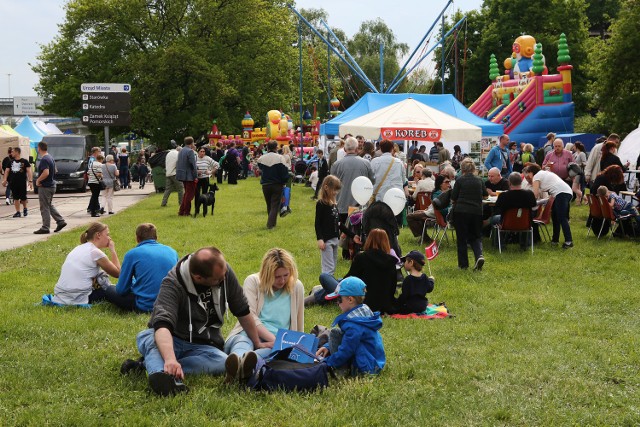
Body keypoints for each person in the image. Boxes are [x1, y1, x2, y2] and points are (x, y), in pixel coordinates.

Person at [132, 247, 267, 396]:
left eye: (224, 274)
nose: (223, 279)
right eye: (217, 279)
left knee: (223, 362)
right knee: (151, 339)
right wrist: (170, 357)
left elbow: (242, 309)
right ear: (198, 277)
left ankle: (150, 365)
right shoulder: (173, 283)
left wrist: (257, 342)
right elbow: (163, 324)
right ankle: (162, 377)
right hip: (172, 340)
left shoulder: (223, 272)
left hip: (201, 346)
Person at [223, 248, 304, 383]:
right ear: (267, 274)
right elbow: (250, 316)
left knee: (267, 353)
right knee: (243, 342)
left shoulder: (296, 287)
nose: (282, 280)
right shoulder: (253, 281)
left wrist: (293, 344)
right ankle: (236, 364)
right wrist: (266, 341)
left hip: (276, 342)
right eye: (277, 277)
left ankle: (245, 367)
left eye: (286, 275)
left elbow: (299, 320)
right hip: (248, 331)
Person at [310, 229, 397, 314]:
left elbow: (347, 280)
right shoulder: (392, 262)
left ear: (369, 240)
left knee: (325, 277)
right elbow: (392, 288)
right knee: (338, 281)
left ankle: (312, 296)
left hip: (359, 302)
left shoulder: (362, 258)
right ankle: (319, 291)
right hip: (385, 305)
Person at [316, 276, 385, 376]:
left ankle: (341, 371)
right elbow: (346, 337)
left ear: (350, 299)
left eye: (339, 299)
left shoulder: (354, 326)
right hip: (373, 362)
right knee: (337, 333)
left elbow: (346, 351)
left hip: (364, 369)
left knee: (334, 332)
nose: (337, 303)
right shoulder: (363, 312)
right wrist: (328, 347)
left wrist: (326, 363)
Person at [103, 223, 178, 313]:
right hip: (170, 304)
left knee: (109, 290)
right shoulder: (172, 251)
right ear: (156, 237)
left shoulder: (132, 254)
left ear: (137, 238)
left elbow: (121, 290)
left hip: (146, 305)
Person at [49, 222, 120, 305]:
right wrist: (113, 250)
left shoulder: (78, 248)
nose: (109, 238)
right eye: (107, 235)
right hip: (79, 297)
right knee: (110, 290)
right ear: (98, 235)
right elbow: (118, 273)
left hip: (61, 295)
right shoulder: (95, 252)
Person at [330, 136, 374, 242]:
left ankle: (346, 251)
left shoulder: (336, 165)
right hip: (360, 204)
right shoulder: (366, 163)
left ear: (345, 149)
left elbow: (332, 185)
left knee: (344, 230)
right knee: (359, 230)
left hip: (341, 204)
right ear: (357, 148)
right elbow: (372, 181)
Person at [314, 175, 359, 276]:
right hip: (326, 241)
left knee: (333, 266)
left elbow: (339, 223)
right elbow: (317, 223)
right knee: (328, 268)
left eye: (337, 190)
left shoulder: (334, 205)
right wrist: (320, 239)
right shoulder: (321, 204)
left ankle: (328, 286)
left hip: (335, 239)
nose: (336, 192)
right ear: (326, 187)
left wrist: (352, 235)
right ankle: (325, 287)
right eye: (334, 190)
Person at [524, 164, 573, 248]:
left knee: (561, 218)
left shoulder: (536, 176)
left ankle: (569, 241)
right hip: (565, 192)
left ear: (531, 172)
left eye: (528, 174)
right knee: (555, 218)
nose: (527, 177)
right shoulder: (544, 173)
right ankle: (555, 240)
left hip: (561, 193)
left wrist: (529, 202)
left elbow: (535, 195)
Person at [451, 158, 487, 270]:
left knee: (462, 238)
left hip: (461, 212)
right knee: (475, 237)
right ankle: (479, 256)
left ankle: (463, 265)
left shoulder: (460, 180)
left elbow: (453, 198)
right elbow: (485, 196)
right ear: (473, 169)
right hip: (476, 212)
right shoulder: (479, 180)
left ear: (462, 169)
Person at [488, 172, 537, 247]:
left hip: (506, 223)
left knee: (493, 219)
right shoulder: (529, 194)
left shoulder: (504, 195)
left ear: (509, 182)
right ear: (521, 181)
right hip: (525, 222)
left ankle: (499, 244)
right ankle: (525, 243)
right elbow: (534, 205)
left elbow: (497, 206)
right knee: (525, 216)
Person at [33, 142, 66, 234]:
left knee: (44, 207)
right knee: (49, 205)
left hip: (45, 186)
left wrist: (38, 180)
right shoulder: (50, 157)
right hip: (52, 185)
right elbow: (55, 170)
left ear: (39, 148)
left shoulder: (44, 159)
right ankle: (60, 221)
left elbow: (46, 172)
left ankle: (45, 227)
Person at [407, 175, 451, 241]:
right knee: (417, 215)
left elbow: (414, 196)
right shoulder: (441, 194)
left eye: (449, 182)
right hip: (435, 213)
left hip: (439, 216)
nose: (449, 184)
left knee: (410, 216)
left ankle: (424, 237)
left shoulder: (441, 194)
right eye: (447, 182)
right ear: (440, 184)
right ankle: (424, 237)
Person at [257, 141, 289, 229]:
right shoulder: (280, 158)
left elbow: (259, 168)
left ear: (267, 148)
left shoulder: (262, 158)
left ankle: (272, 222)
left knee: (269, 204)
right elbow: (284, 172)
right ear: (276, 148)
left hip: (265, 185)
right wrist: (284, 181)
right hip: (277, 184)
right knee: (275, 205)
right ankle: (270, 224)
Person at [395, 251, 434, 315]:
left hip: (410, 307)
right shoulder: (424, 277)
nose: (404, 263)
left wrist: (397, 303)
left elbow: (404, 296)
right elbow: (430, 288)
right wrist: (431, 280)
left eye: (406, 261)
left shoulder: (408, 280)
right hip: (423, 306)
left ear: (411, 263)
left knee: (397, 307)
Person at [2, 147, 32, 218]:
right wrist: (5, 179)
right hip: (13, 182)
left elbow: (29, 171)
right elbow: (6, 171)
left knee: (23, 197)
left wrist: (30, 181)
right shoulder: (10, 162)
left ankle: (25, 208)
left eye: (13, 152)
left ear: (17, 152)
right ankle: (18, 212)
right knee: (15, 198)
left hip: (22, 182)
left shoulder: (24, 161)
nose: (11, 153)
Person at [176, 136, 197, 216]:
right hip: (189, 176)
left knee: (186, 194)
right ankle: (186, 212)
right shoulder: (190, 151)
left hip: (182, 175)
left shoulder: (181, 150)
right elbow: (193, 165)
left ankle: (181, 211)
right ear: (192, 143)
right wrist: (195, 176)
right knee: (189, 195)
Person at [87, 152, 103, 217]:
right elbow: (99, 174)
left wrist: (91, 178)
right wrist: (102, 176)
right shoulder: (100, 164)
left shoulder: (92, 163)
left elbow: (88, 173)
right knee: (95, 197)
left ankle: (94, 210)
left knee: (94, 196)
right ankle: (93, 212)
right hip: (96, 182)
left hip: (91, 182)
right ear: (101, 159)